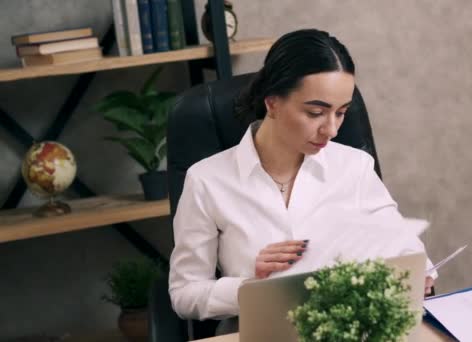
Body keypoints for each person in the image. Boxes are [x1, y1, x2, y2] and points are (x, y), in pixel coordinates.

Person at [168, 28, 435, 334]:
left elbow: (403, 245)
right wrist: (252, 286)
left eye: (342, 113)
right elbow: (184, 294)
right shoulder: (207, 181)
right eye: (316, 112)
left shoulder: (355, 167)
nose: (331, 129)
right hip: (262, 333)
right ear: (272, 102)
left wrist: (418, 274)